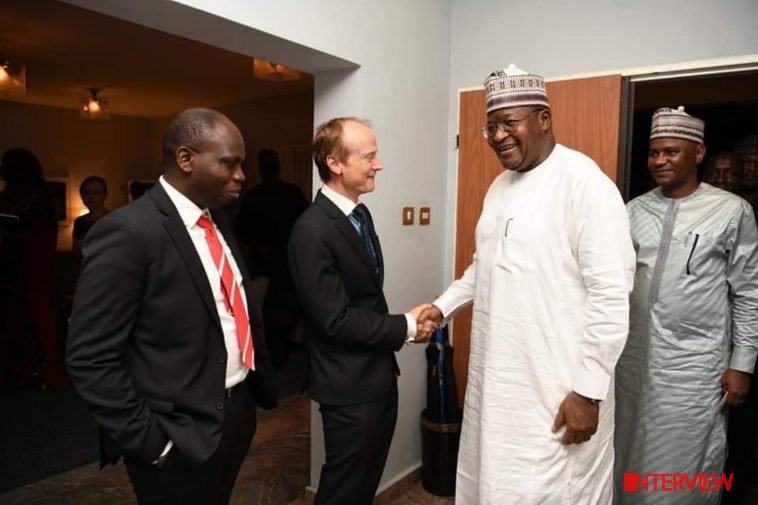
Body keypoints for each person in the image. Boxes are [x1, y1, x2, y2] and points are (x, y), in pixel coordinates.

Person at [417, 65, 635, 504]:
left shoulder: (586, 184)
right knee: (494, 484)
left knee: (553, 492)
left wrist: (588, 392)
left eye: (510, 122)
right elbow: (486, 267)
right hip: (498, 385)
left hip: (558, 391)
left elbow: (612, 296)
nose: (498, 135)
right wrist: (443, 307)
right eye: (491, 126)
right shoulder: (498, 187)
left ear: (544, 119)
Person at [66, 108, 278, 505]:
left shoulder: (215, 219)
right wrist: (153, 443)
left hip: (233, 412)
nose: (241, 175)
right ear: (186, 159)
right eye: (229, 164)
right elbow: (89, 357)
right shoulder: (128, 231)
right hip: (174, 431)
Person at [614, 107, 758, 505]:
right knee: (629, 451)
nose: (659, 161)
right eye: (654, 152)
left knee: (687, 460)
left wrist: (741, 364)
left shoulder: (732, 211)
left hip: (696, 367)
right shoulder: (634, 211)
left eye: (671, 152)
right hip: (634, 361)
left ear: (697, 153)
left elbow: (748, 291)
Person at [288, 117, 434, 505]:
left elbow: (363, 298)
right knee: (343, 491)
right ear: (335, 164)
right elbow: (334, 319)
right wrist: (404, 325)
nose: (379, 164)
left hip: (377, 377)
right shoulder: (311, 231)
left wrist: (404, 328)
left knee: (361, 488)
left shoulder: (359, 215)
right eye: (369, 156)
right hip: (347, 389)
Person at [236, 149, 308, 366]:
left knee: (286, 306)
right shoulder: (258, 195)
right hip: (268, 265)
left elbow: (307, 225)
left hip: (286, 262)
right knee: (265, 310)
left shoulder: (287, 193)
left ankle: (281, 348)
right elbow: (241, 230)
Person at [0, 148, 65, 388]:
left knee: (32, 317)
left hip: (27, 268)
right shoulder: (38, 195)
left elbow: (18, 225)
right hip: (26, 269)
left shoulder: (32, 196)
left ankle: (35, 369)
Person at [72, 175, 109, 251]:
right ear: (81, 196)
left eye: (97, 192)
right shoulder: (79, 222)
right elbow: (76, 251)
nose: (92, 197)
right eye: (87, 192)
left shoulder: (114, 220)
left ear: (104, 196)